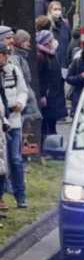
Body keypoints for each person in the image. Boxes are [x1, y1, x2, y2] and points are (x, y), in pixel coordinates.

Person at [0, 43, 28, 209]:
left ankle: (20, 195)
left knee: (15, 159)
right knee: (2, 163)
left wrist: (20, 103)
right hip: (2, 121)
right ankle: (2, 196)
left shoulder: (13, 71)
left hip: (14, 121)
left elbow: (23, 90)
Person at [35, 30, 66, 137]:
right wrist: (43, 94)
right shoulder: (41, 56)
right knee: (47, 120)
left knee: (52, 120)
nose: (54, 41)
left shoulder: (51, 53)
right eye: (51, 40)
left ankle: (51, 137)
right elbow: (41, 77)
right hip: (48, 94)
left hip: (54, 92)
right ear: (46, 42)